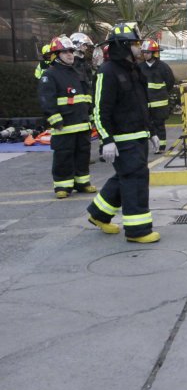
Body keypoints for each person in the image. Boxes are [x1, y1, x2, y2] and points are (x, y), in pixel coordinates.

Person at [87, 24, 160, 244]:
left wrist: (152, 132)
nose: (141, 48)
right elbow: (99, 110)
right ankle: (138, 231)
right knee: (135, 179)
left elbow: (141, 105)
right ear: (124, 46)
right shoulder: (107, 72)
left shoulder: (134, 70)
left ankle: (98, 214)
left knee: (124, 176)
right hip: (121, 140)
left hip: (138, 137)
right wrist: (106, 140)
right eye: (136, 44)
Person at [38, 35, 96, 198]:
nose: (70, 54)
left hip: (82, 123)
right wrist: (55, 119)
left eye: (71, 51)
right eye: (65, 52)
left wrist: (90, 116)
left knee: (83, 154)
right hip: (63, 126)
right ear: (56, 55)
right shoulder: (50, 75)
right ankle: (62, 186)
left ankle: (82, 182)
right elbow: (46, 100)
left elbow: (86, 96)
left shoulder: (77, 72)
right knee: (64, 155)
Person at [139, 39, 176, 153]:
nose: (145, 55)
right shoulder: (140, 67)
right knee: (147, 125)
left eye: (148, 52)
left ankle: (161, 146)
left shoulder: (163, 67)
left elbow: (170, 82)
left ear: (155, 53)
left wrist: (162, 94)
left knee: (159, 124)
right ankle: (154, 144)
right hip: (145, 103)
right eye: (144, 52)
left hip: (160, 102)